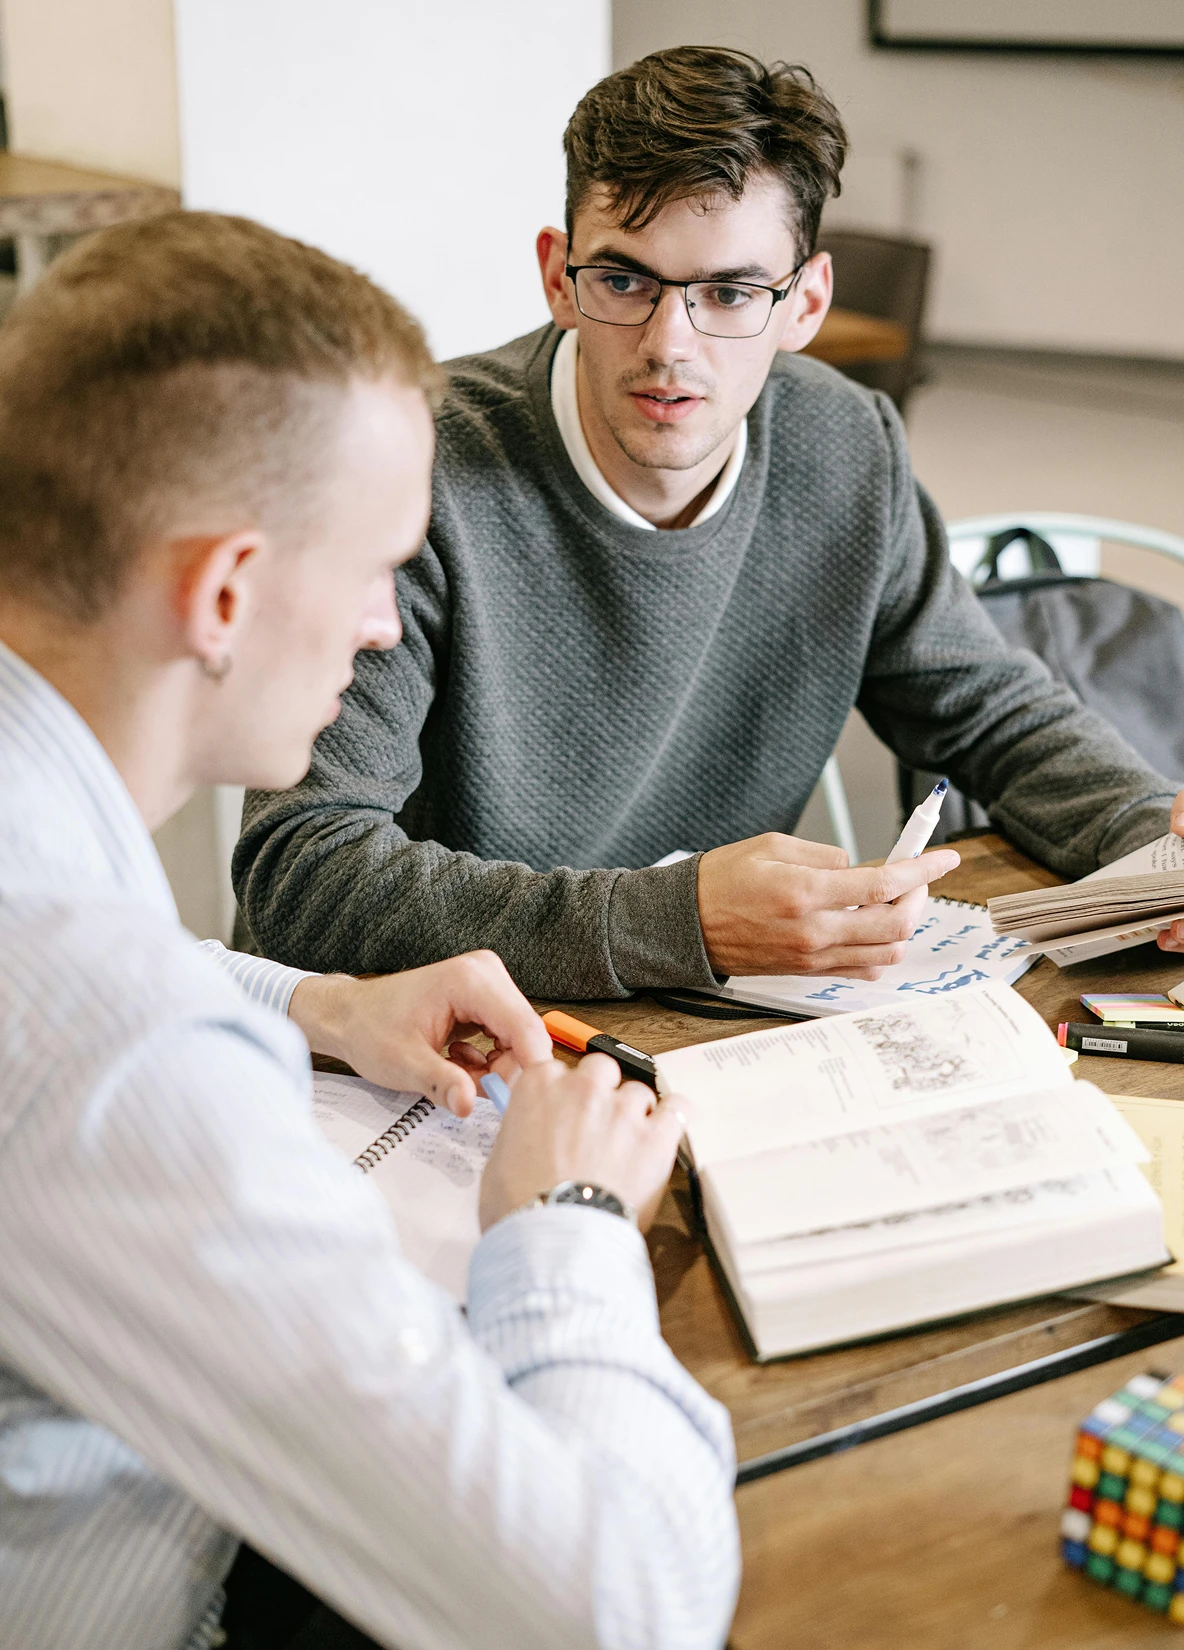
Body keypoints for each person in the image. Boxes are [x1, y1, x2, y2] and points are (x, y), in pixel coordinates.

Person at [0, 212, 739, 1650]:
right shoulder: (111, 1049)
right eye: (374, 567)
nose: (388, 626)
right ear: (223, 592)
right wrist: (565, 1222)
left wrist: (313, 1003)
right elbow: (619, 1610)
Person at [233, 45, 1184, 1000]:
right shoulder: (408, 472)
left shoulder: (845, 444)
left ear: (804, 303)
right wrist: (680, 919)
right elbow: (302, 872)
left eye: (729, 292)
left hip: (709, 1032)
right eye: (624, 281)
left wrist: (1154, 841)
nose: (669, 345)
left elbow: (990, 713)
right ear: (559, 277)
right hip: (430, 1054)